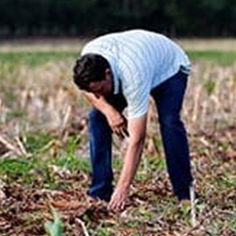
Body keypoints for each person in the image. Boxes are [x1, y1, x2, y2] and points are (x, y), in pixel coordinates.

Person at [72, 29, 193, 212]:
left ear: (107, 73)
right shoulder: (88, 57)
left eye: (100, 89)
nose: (97, 96)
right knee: (97, 118)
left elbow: (137, 139)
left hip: (169, 68)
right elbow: (89, 91)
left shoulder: (133, 76)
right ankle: (100, 192)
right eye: (93, 91)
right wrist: (110, 112)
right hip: (137, 60)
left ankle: (185, 193)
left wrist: (123, 188)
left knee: (169, 122)